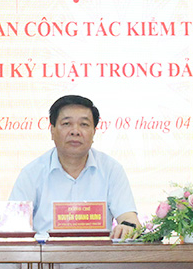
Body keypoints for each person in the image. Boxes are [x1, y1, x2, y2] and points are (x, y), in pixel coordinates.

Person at [10, 94, 140, 239]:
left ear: (94, 132)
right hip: (46, 252)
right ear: (52, 131)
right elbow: (14, 227)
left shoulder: (111, 169)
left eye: (84, 124)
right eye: (67, 124)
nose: (75, 131)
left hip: (98, 252)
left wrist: (127, 228)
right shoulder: (31, 173)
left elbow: (129, 218)